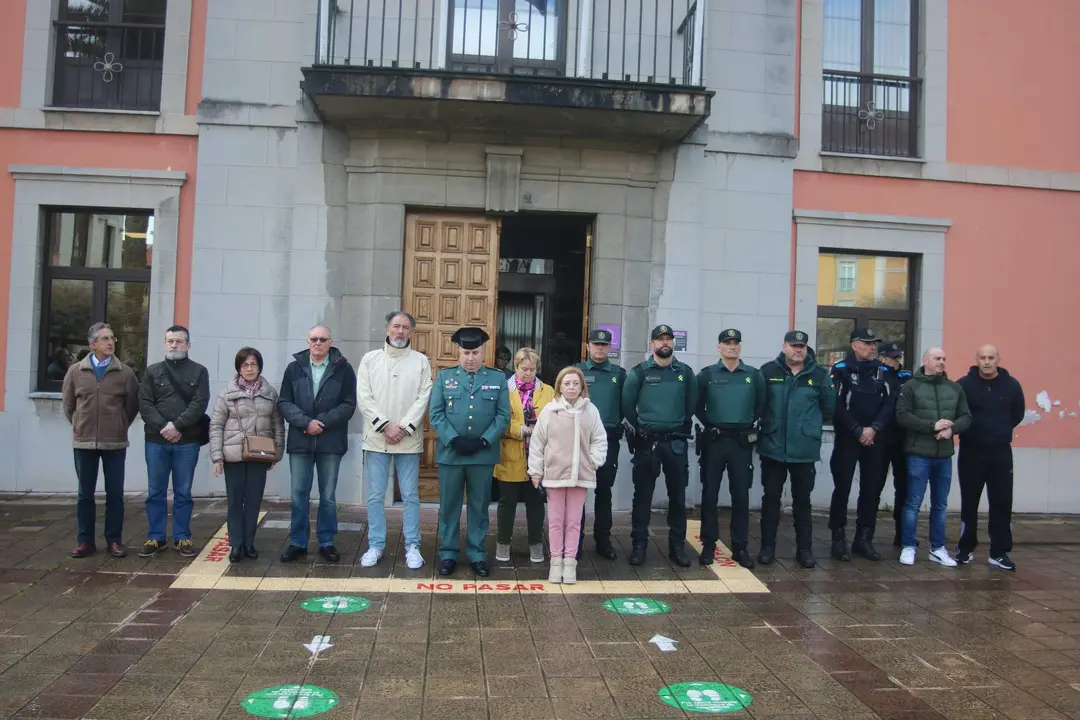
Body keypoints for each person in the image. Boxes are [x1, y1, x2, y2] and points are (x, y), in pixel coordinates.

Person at [429, 327, 511, 577]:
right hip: (452, 454)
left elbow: (503, 415)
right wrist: (453, 440)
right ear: (459, 352)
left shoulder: (497, 378)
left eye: (475, 352)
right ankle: (448, 553)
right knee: (449, 506)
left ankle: (477, 553)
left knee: (479, 506)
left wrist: (484, 441)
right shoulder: (445, 377)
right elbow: (436, 414)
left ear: (482, 352)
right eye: (466, 352)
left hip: (482, 455)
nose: (471, 358)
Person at [355, 311, 433, 570]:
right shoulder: (370, 360)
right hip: (377, 438)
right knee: (376, 496)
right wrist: (385, 425)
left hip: (408, 440)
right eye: (396, 327)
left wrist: (404, 426)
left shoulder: (421, 361)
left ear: (411, 332)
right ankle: (376, 545)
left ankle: (413, 545)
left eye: (405, 328)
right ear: (387, 329)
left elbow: (424, 397)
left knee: (410, 495)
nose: (400, 331)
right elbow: (364, 397)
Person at [277, 325, 357, 564]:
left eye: (323, 339)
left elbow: (349, 404)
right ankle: (298, 542)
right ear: (308, 341)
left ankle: (326, 542)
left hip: (330, 441)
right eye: (314, 339)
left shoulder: (343, 369)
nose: (318, 343)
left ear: (330, 341)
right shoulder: (294, 369)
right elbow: (284, 402)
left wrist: (320, 422)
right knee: (298, 494)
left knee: (328, 496)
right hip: (301, 440)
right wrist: (305, 423)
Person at [757, 330, 835, 569]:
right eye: (793, 346)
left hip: (803, 449)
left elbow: (828, 409)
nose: (798, 350)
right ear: (784, 347)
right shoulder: (768, 372)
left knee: (803, 501)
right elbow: (759, 404)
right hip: (773, 447)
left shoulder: (820, 375)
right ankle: (767, 548)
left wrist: (806, 428)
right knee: (771, 499)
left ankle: (805, 550)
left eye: (801, 346)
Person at [622, 324, 697, 567]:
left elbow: (692, 406)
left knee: (678, 497)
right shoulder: (640, 372)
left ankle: (677, 547)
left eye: (668, 339)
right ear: (651, 344)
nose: (665, 342)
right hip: (648, 444)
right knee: (642, 497)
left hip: (675, 444)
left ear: (673, 343)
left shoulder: (685, 373)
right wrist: (642, 428)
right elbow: (627, 406)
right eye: (659, 339)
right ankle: (639, 546)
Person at [63, 322, 140, 559]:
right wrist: (80, 426)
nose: (110, 343)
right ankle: (85, 541)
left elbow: (131, 407)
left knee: (114, 493)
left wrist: (117, 426)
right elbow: (68, 406)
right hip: (84, 442)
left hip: (114, 443)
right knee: (85, 494)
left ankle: (114, 540)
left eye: (112, 338)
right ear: (92, 343)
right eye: (105, 338)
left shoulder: (125, 373)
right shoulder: (76, 372)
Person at [528, 366, 607, 584]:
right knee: (555, 521)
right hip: (555, 474)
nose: (571, 387)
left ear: (582, 387)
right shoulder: (549, 411)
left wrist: (594, 460)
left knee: (574, 521)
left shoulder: (590, 411)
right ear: (559, 387)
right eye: (567, 383)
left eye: (575, 383)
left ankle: (570, 562)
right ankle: (555, 561)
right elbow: (537, 443)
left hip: (580, 474)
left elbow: (599, 439)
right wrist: (536, 470)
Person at [138, 325, 210, 559]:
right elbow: (145, 403)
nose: (173, 345)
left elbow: (200, 403)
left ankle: (182, 537)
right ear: (164, 343)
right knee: (155, 492)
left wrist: (177, 426)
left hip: (186, 441)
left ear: (188, 345)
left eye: (179, 341)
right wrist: (163, 426)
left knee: (183, 492)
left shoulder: (199, 372)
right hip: (156, 441)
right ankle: (156, 536)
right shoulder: (152, 371)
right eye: (170, 340)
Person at [694, 328, 764, 569]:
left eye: (735, 343)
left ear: (740, 346)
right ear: (719, 347)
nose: (732, 347)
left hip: (741, 443)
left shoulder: (753, 375)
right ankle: (708, 545)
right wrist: (709, 424)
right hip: (715, 441)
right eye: (727, 343)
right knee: (710, 494)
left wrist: (745, 422)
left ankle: (740, 547)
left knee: (741, 495)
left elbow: (761, 405)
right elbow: (697, 405)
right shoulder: (707, 375)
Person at [895, 346, 971, 567]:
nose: (941, 362)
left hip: (944, 455)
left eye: (944, 359)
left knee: (940, 505)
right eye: (937, 358)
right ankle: (908, 546)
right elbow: (902, 416)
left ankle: (937, 548)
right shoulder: (911, 386)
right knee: (913, 503)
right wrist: (932, 426)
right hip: (919, 454)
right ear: (925, 360)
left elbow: (966, 416)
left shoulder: (954, 388)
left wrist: (952, 429)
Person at [209, 348, 286, 563]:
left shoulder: (270, 393)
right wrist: (217, 457)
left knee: (253, 501)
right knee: (235, 501)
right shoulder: (226, 394)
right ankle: (236, 544)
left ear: (259, 366)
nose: (249, 368)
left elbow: (278, 425)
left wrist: (276, 454)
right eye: (245, 365)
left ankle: (249, 542)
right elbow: (216, 425)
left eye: (253, 364)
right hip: (233, 455)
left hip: (259, 454)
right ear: (238, 368)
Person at [827, 328, 896, 562]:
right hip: (848, 438)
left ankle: (864, 538)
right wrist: (857, 430)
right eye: (867, 343)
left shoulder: (883, 370)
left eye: (873, 343)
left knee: (871, 490)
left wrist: (874, 428)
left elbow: (890, 403)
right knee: (843, 488)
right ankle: (838, 538)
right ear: (855, 345)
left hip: (875, 439)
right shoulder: (840, 370)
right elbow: (835, 405)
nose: (872, 347)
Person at [955, 345, 1025, 571]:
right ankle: (965, 548)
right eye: (982, 358)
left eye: (991, 358)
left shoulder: (1011, 385)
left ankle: (999, 552)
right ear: (976, 359)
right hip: (971, 451)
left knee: (1002, 502)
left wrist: (999, 430)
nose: (986, 362)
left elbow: (1017, 413)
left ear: (998, 359)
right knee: (969, 502)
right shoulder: (964, 385)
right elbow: (957, 413)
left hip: (1000, 452)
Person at [494, 348, 554, 564]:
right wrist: (521, 429)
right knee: (507, 502)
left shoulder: (547, 390)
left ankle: (536, 544)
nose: (528, 373)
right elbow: (498, 418)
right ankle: (503, 543)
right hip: (510, 453)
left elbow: (555, 417)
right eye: (524, 369)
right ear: (516, 367)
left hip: (538, 456)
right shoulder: (503, 389)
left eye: (532, 369)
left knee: (536, 503)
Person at [574, 328, 626, 561]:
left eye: (604, 345)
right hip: (580, 440)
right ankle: (575, 542)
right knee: (578, 492)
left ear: (610, 347)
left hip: (608, 441)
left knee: (604, 492)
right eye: (596, 344)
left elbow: (627, 404)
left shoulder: (619, 374)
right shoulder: (577, 372)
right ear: (588, 346)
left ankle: (603, 541)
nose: (600, 348)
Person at [878, 341, 913, 547]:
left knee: (904, 489)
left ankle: (902, 534)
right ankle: (866, 535)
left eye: (898, 357)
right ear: (882, 358)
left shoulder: (907, 377)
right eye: (891, 357)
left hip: (903, 440)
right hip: (881, 438)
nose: (895, 361)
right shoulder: (877, 375)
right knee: (875, 486)